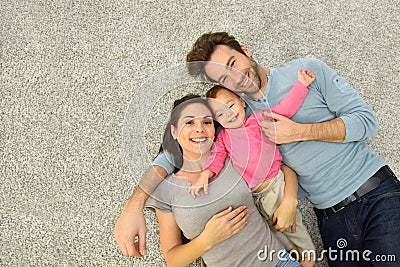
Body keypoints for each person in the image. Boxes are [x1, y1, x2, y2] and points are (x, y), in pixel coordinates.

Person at [114, 32, 400, 266]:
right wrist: (134, 206)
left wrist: (299, 131)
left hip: (375, 193)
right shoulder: (236, 115)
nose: (235, 78)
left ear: (245, 50)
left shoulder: (305, 71)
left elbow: (366, 123)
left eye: (233, 63)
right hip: (329, 217)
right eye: (224, 78)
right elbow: (180, 147)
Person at [144, 94, 301, 266]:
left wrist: (289, 201)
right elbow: (173, 260)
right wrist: (207, 239)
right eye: (189, 122)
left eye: (207, 122)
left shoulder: (230, 158)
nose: (199, 129)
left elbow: (282, 169)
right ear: (174, 131)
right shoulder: (166, 189)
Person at [187, 70, 315, 265]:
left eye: (230, 106)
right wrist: (205, 175)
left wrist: (301, 85)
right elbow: (217, 157)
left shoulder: (258, 120)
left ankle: (308, 256)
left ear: (242, 102)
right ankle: (293, 253)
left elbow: (284, 109)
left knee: (292, 226)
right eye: (220, 114)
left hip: (273, 185)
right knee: (271, 229)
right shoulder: (223, 137)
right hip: (253, 196)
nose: (228, 114)